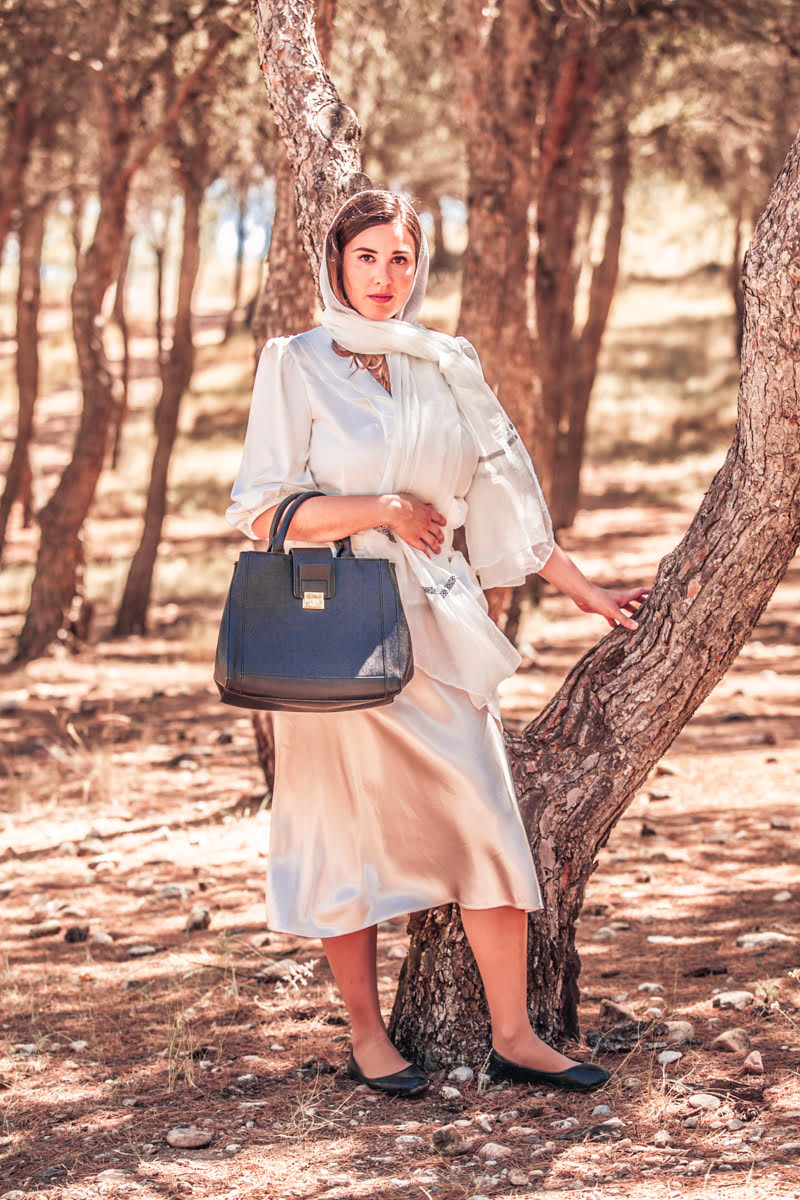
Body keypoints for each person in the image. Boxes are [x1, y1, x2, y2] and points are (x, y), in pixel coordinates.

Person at [226, 189, 648, 1099]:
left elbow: (501, 493)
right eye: (366, 256)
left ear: (419, 268)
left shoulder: (445, 361)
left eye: (401, 259)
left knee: (487, 815)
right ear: (336, 263)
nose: (384, 277)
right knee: (340, 832)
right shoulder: (295, 362)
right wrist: (380, 509)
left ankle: (515, 1035)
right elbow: (260, 509)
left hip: (438, 625)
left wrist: (583, 590)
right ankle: (368, 1036)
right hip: (337, 633)